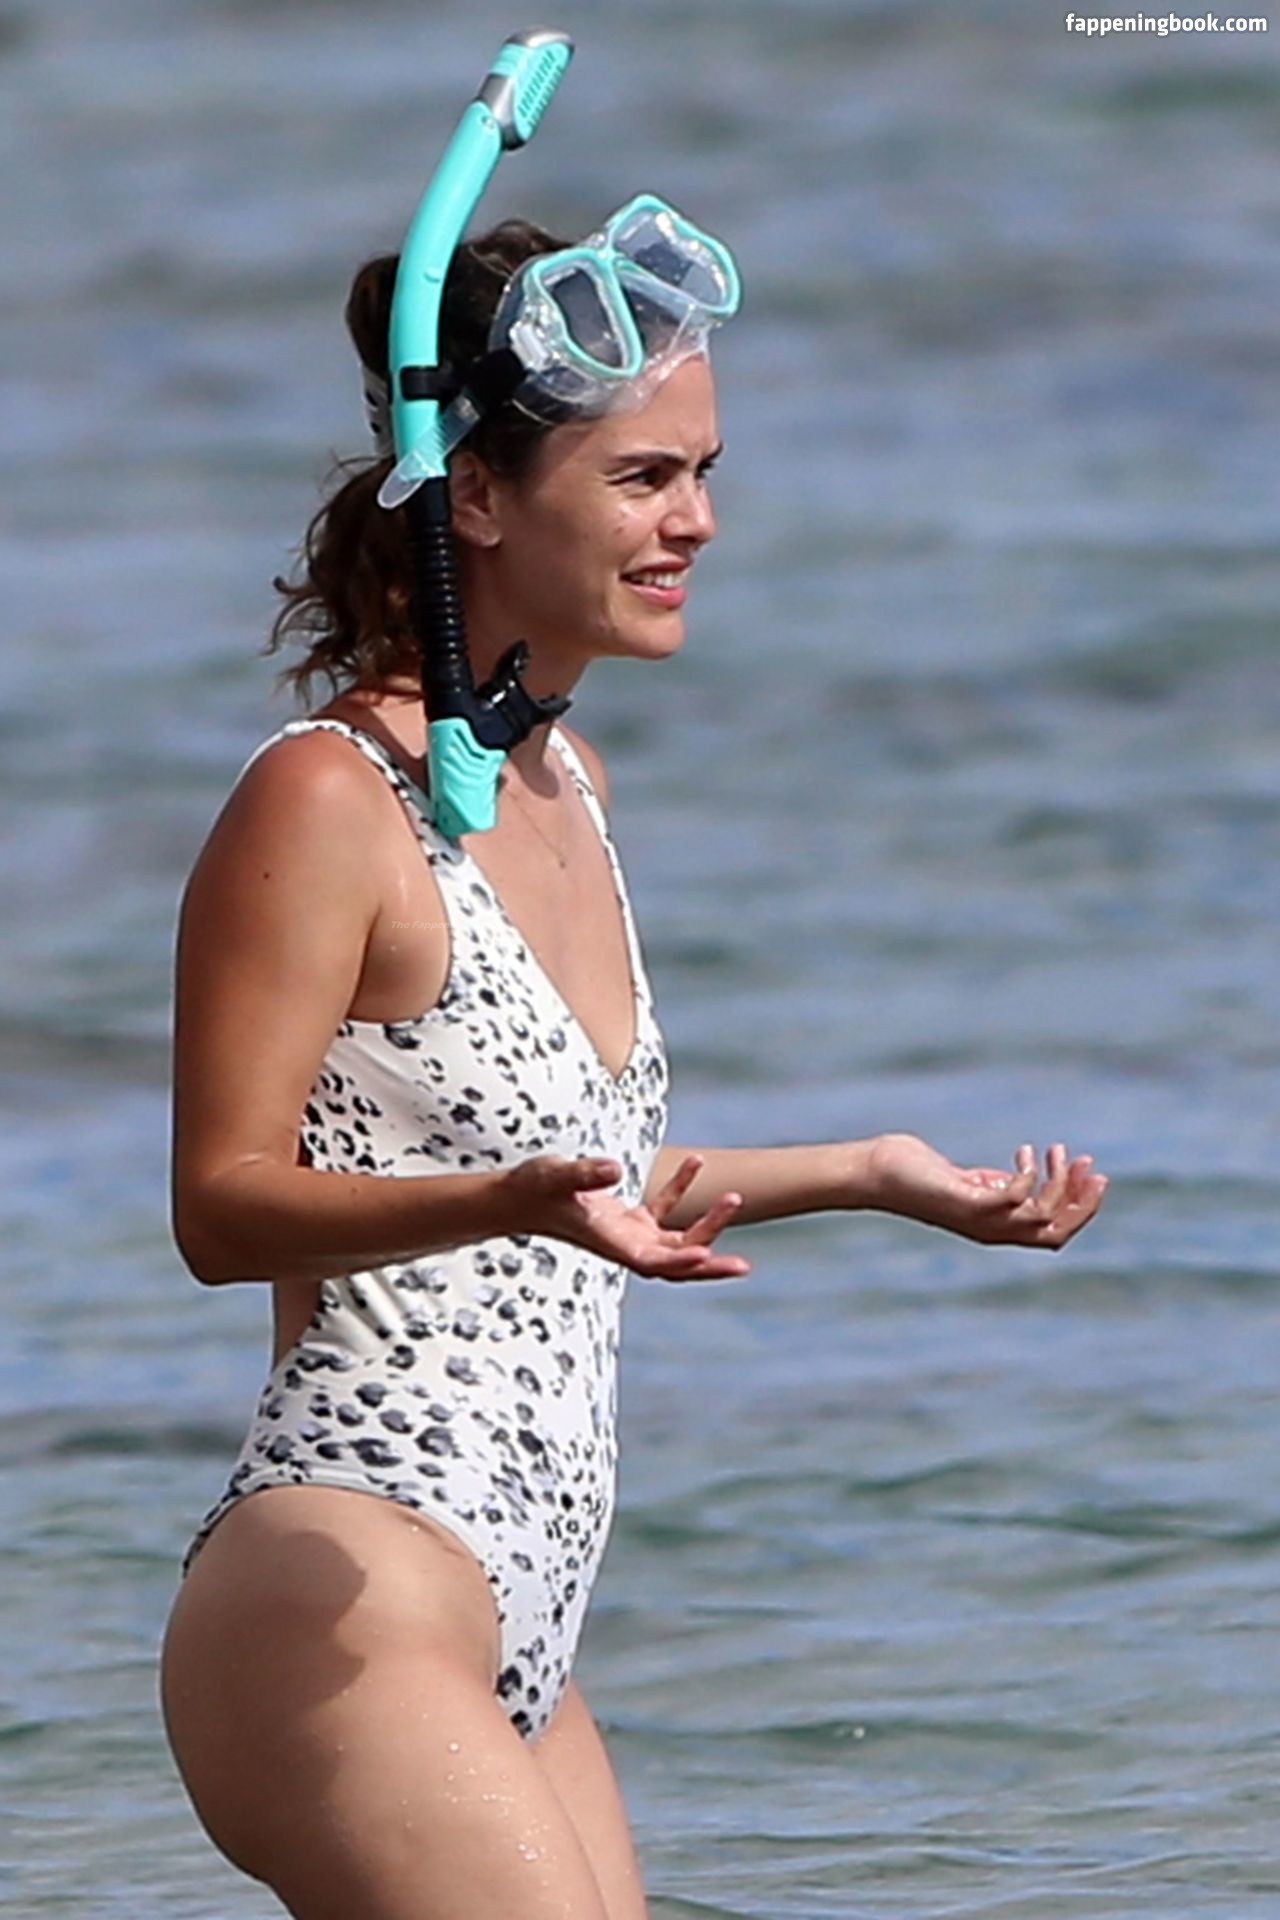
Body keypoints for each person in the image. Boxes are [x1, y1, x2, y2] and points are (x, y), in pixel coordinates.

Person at [158, 205, 1109, 1920]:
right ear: (475, 495)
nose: (699, 522)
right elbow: (223, 1209)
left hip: (526, 1611)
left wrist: (871, 1175)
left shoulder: (569, 788)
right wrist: (512, 1199)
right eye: (646, 478)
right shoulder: (325, 799)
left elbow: (573, 1183)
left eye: (704, 472)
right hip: (348, 1576)